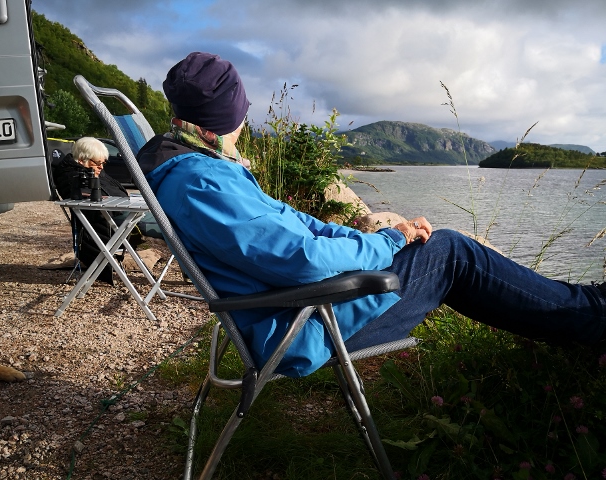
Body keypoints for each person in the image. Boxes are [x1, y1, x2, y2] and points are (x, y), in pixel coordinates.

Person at [137, 52, 606, 378]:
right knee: (452, 252)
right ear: (229, 114)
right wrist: (392, 241)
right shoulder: (203, 182)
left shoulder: (202, 167)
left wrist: (373, 234)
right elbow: (303, 259)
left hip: (298, 306)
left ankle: (578, 305)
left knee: (441, 248)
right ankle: (588, 316)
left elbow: (296, 225)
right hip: (302, 328)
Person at [52, 137, 160, 282]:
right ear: (81, 159)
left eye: (103, 163)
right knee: (174, 228)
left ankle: (191, 269)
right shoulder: (74, 177)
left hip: (124, 214)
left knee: (175, 221)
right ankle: (192, 271)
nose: (101, 167)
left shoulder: (92, 171)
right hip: (116, 219)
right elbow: (90, 203)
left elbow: (116, 194)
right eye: (98, 163)